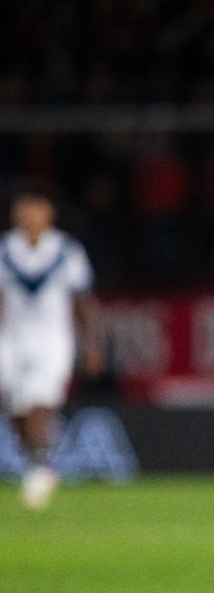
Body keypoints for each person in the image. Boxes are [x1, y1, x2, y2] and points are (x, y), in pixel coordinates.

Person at [0, 182, 102, 508]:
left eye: (36, 207)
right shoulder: (5, 250)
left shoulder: (66, 251)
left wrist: (92, 343)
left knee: (38, 402)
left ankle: (40, 470)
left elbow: (83, 300)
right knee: (16, 409)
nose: (30, 214)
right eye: (24, 207)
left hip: (52, 340)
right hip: (11, 338)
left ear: (49, 212)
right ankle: (37, 462)